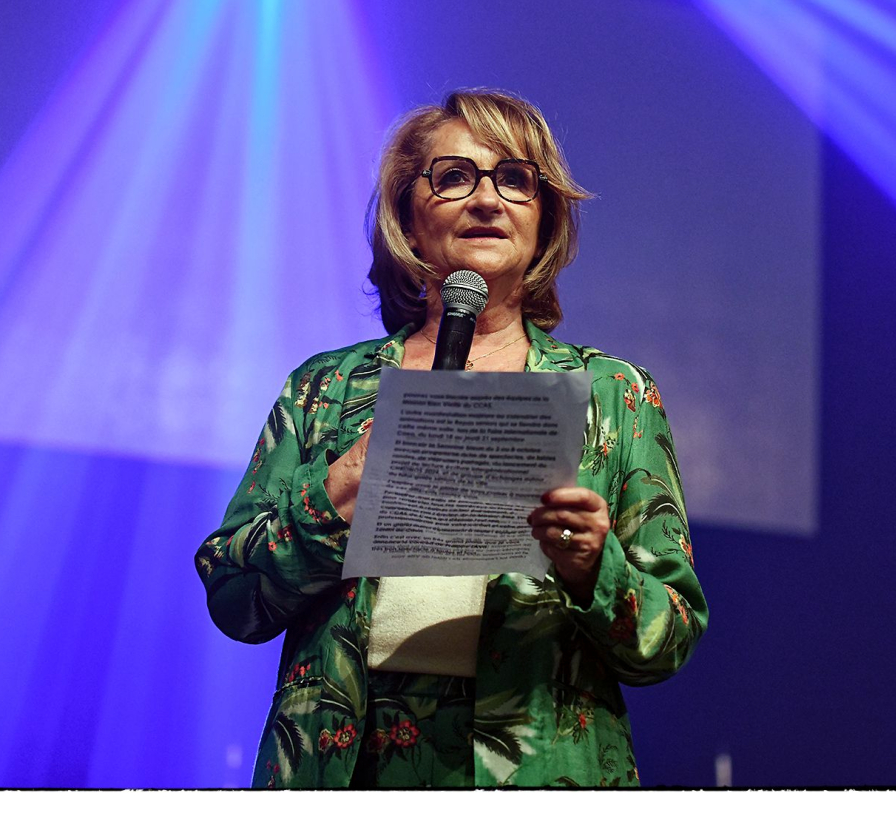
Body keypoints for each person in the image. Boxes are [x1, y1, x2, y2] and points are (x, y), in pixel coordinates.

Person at [194, 89, 706, 788]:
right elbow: (233, 598)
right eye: (455, 176)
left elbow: (670, 639)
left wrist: (594, 567)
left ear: (544, 219)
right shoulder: (325, 390)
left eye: (515, 179)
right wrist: (334, 497)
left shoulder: (615, 396)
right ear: (408, 218)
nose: (487, 199)